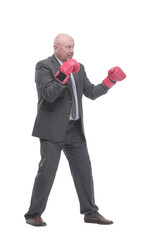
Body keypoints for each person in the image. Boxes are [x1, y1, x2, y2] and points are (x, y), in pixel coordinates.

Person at [24, 33, 126, 227]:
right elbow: (49, 94)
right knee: (47, 172)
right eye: (67, 47)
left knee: (84, 171)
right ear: (56, 48)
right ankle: (33, 214)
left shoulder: (79, 68)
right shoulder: (43, 66)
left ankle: (90, 213)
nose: (71, 50)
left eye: (73, 46)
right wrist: (63, 73)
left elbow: (91, 93)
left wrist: (110, 81)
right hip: (52, 130)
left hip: (74, 130)